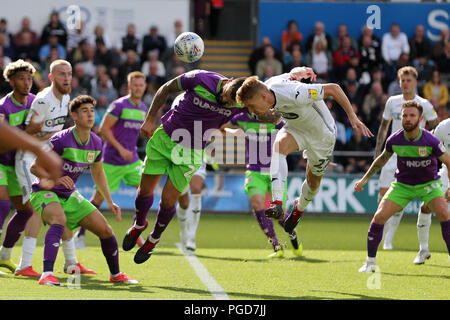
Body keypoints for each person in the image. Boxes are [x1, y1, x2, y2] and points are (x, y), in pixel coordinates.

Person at [121, 70, 249, 264]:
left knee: (169, 200)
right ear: (229, 81)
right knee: (145, 189)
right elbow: (165, 88)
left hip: (192, 151)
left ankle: (154, 239)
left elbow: (265, 109)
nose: (224, 99)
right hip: (165, 139)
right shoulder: (200, 78)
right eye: (226, 93)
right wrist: (149, 120)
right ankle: (139, 224)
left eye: (231, 101)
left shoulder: (240, 105)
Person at [235, 66, 373, 234]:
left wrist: (352, 116)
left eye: (251, 106)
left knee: (313, 182)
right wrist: (303, 70)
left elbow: (333, 88)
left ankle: (299, 208)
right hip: (296, 129)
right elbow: (293, 73)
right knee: (278, 146)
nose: (251, 111)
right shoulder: (270, 86)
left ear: (263, 96)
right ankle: (277, 204)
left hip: (322, 135)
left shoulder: (296, 93)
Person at [29, 94, 137, 285]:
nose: (90, 115)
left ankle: (116, 275)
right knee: (59, 220)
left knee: (105, 230)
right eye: (84, 111)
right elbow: (34, 168)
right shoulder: (60, 139)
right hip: (44, 191)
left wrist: (110, 201)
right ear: (75, 116)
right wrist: (57, 178)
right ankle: (47, 275)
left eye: (92, 111)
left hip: (69, 195)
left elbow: (98, 173)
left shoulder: (96, 142)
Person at [14, 59, 95, 277]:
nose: (67, 78)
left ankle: (70, 262)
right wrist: (61, 135)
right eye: (61, 74)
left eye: (69, 74)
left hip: (48, 159)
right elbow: (28, 133)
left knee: (61, 207)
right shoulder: (43, 101)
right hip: (29, 159)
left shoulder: (67, 98)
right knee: (34, 211)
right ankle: (24, 266)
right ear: (52, 78)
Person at [355, 100, 450, 272]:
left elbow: (449, 162)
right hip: (403, 186)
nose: (407, 119)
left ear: (420, 119)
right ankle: (370, 263)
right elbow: (382, 159)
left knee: (444, 213)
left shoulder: (430, 140)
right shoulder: (395, 139)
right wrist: (364, 179)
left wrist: (449, 187)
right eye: (404, 115)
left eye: (412, 115)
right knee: (379, 216)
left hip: (429, 184)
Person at [75, 71, 148, 249]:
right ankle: (79, 236)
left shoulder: (143, 109)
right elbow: (104, 130)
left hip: (132, 161)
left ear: (145, 87)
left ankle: (136, 232)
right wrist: (121, 148)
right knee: (98, 199)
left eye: (141, 85)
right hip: (111, 161)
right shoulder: (119, 105)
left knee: (146, 191)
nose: (138, 88)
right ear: (129, 87)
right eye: (135, 85)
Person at [374, 66, 439, 251]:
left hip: (413, 156)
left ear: (415, 83)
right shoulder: (392, 101)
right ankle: (383, 233)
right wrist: (378, 151)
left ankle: (388, 239)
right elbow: (383, 126)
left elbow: (435, 126)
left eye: (409, 80)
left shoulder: (424, 104)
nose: (405, 84)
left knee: (400, 198)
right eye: (402, 80)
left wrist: (427, 147)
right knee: (383, 195)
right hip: (393, 153)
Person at [222, 112, 303, 258]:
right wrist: (232, 132)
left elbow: (293, 135)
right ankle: (276, 246)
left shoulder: (275, 119)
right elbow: (223, 125)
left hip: (276, 170)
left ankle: (293, 235)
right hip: (254, 171)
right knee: (257, 204)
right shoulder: (242, 117)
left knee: (280, 216)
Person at [0, 59, 37, 274]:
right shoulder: (4, 107)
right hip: (1, 163)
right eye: (22, 78)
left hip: (19, 166)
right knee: (3, 205)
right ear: (11, 80)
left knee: (25, 211)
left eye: (29, 78)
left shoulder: (36, 102)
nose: (27, 82)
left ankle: (4, 256)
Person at [415, 118, 450, 264]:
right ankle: (423, 250)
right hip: (447, 172)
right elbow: (429, 143)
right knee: (425, 207)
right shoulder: (443, 127)